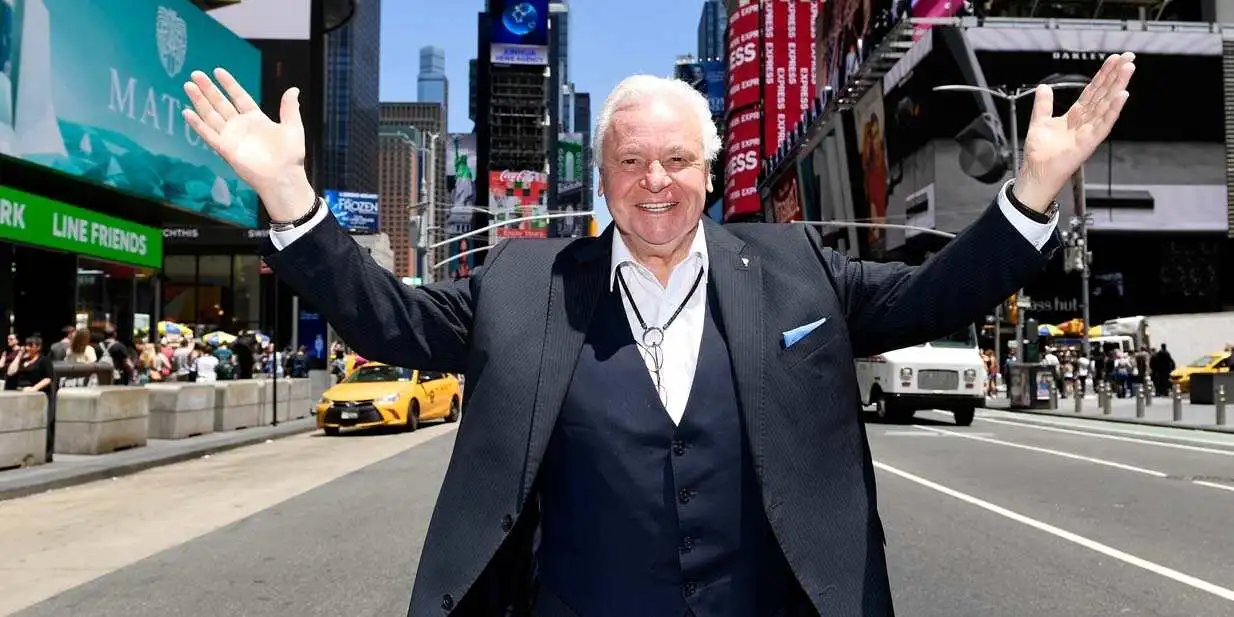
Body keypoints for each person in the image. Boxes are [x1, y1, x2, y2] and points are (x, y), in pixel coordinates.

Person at [182, 52, 1135, 616]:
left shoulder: (798, 268)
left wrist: (1031, 194)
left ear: (710, 172)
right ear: (601, 176)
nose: (654, 181)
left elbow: (932, 297)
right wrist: (290, 197)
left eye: (677, 158)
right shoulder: (523, 282)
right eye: (630, 160)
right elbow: (386, 316)